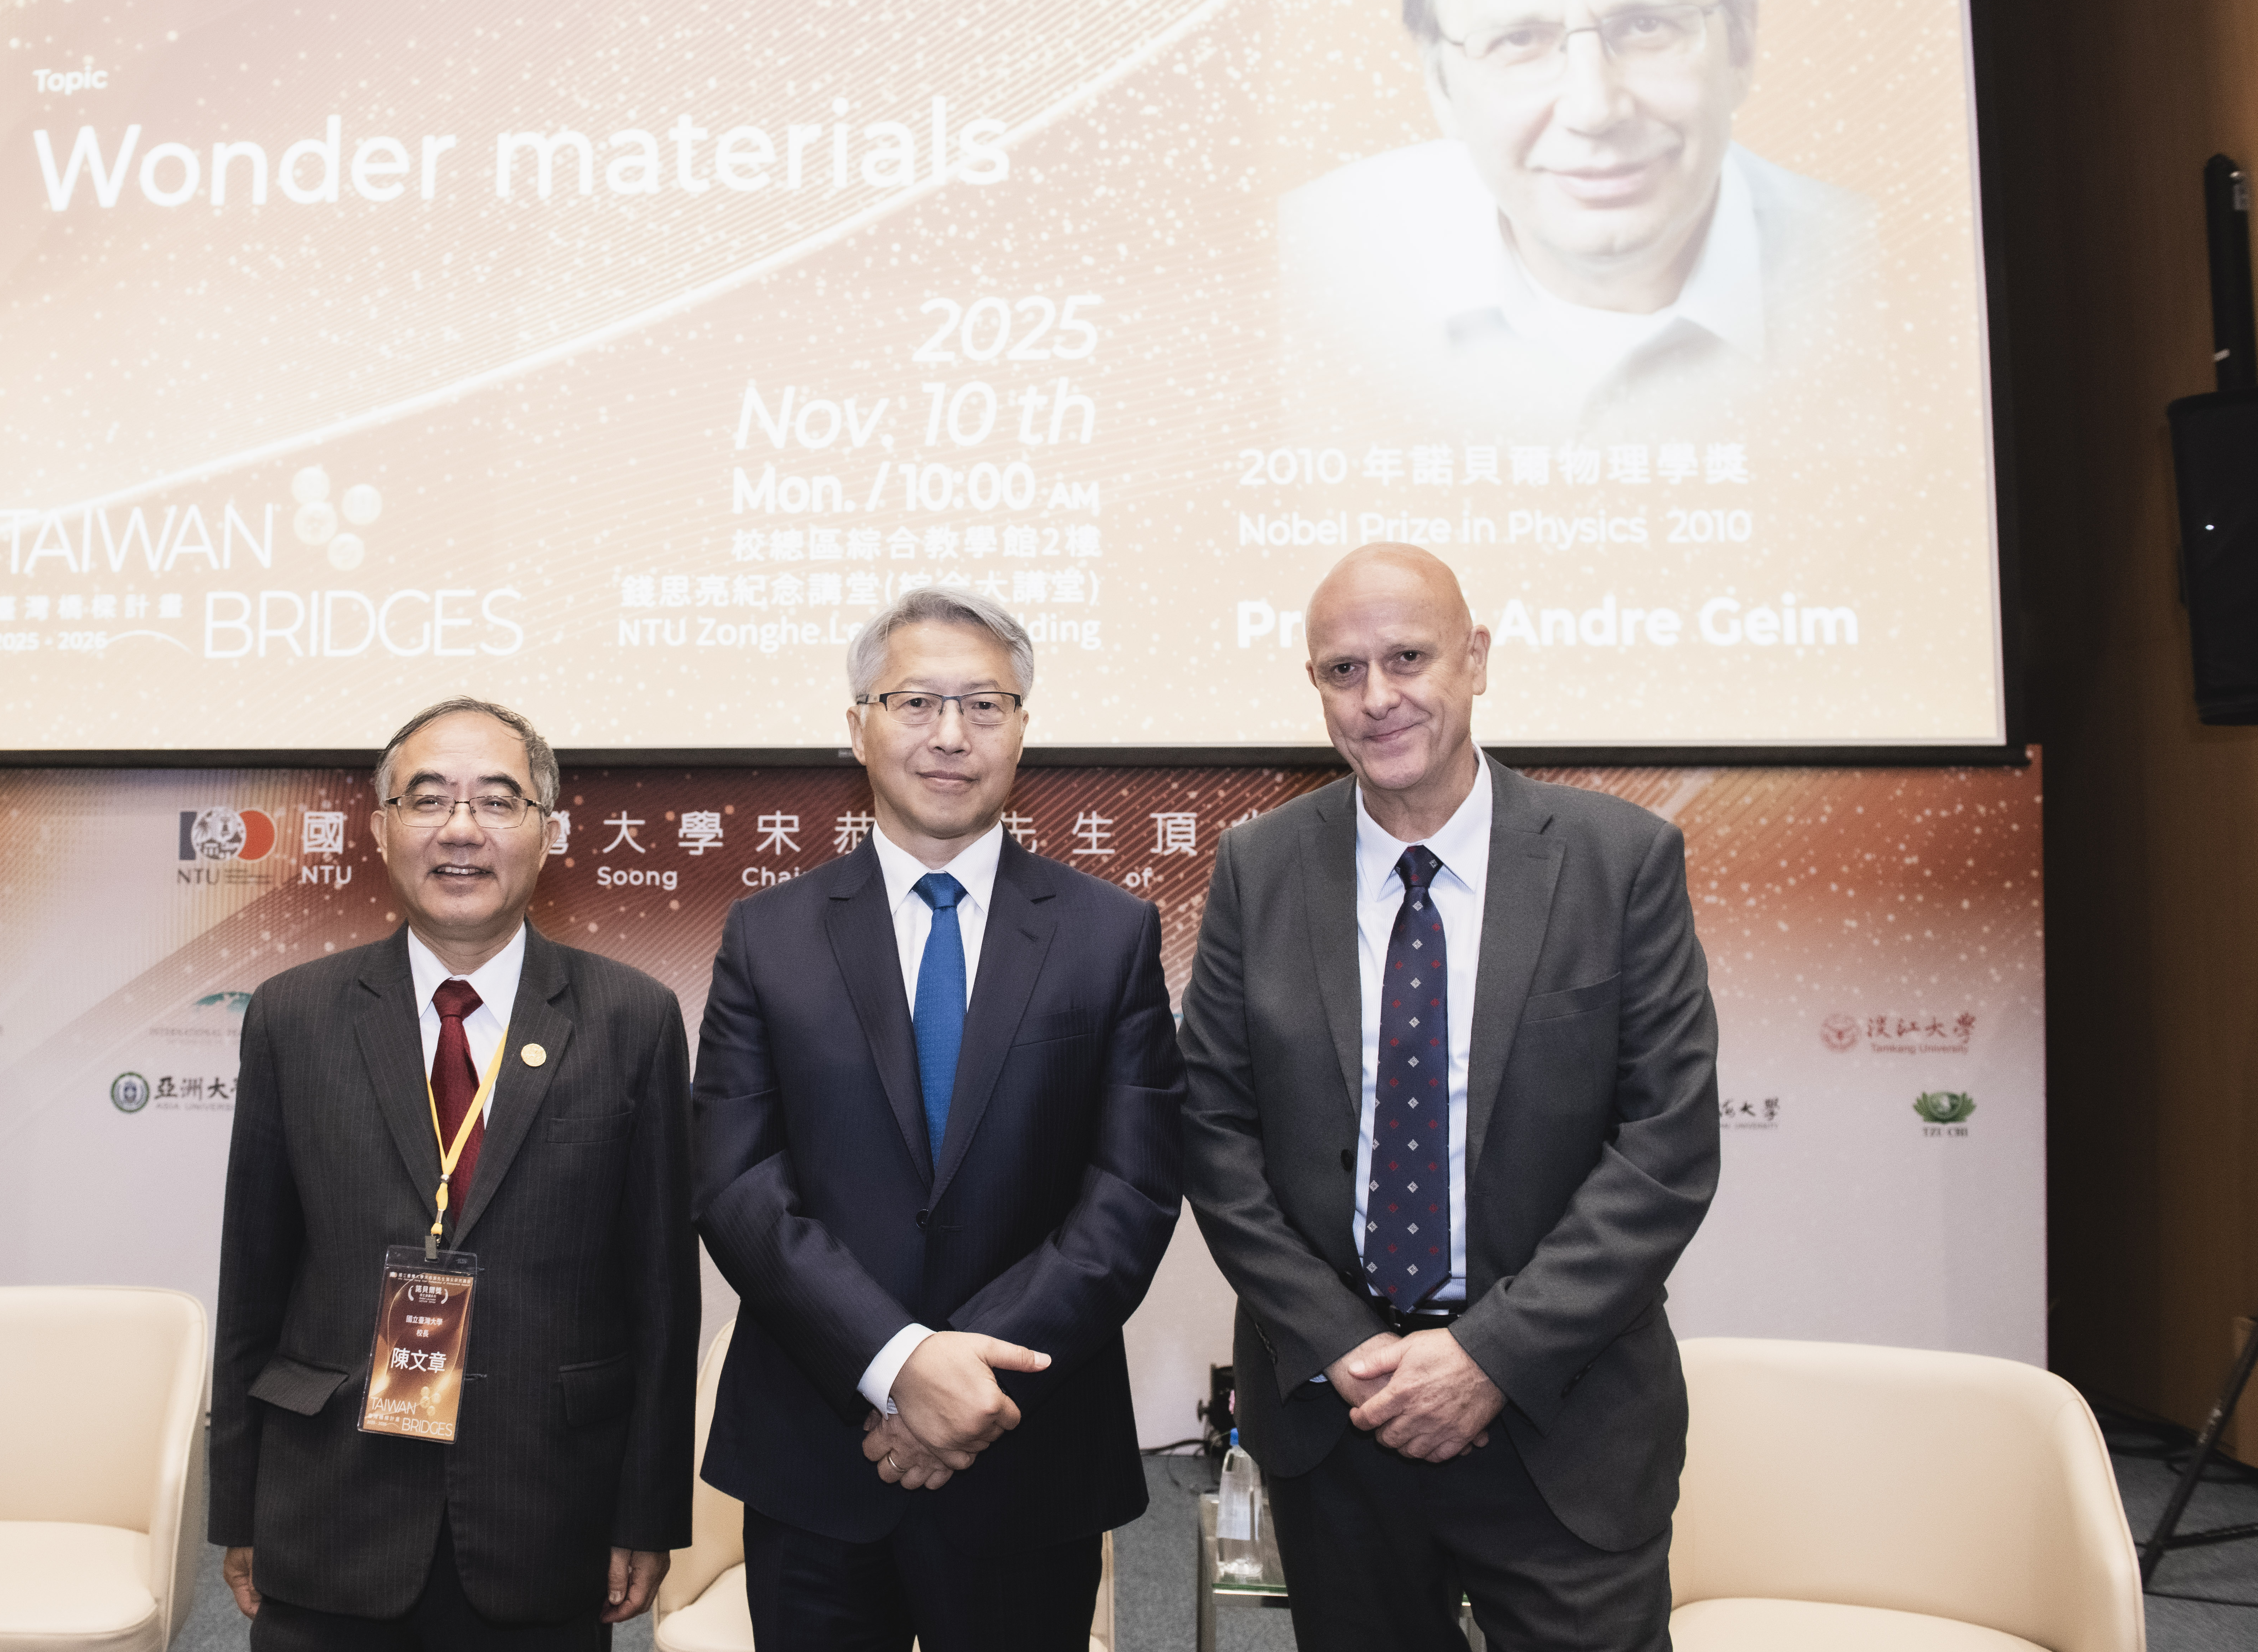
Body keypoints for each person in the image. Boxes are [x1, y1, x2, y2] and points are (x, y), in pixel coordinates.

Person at [1179, 544, 1719, 1651]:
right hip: (1338, 1417)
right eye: (1342, 671)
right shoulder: (1257, 867)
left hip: (1560, 1417)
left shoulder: (1619, 860)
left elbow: (1663, 1148)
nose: (1376, 698)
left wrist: (1487, 1357)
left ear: (1474, 658)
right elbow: (1214, 1133)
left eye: (1407, 658)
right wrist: (1344, 1345)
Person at [692, 587, 1183, 1652]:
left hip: (1028, 1459)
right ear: (857, 725)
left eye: (984, 704)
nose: (950, 735)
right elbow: (736, 1184)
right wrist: (896, 1361)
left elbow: (1132, 1189)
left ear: (1022, 728)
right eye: (916, 702)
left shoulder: (1110, 935)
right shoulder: (767, 935)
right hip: (821, 1456)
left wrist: (965, 1381)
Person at [209, 697, 697, 1651]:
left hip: (547, 1508)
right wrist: (237, 1504)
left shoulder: (631, 1018)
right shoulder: (293, 1015)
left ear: (548, 830)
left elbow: (661, 1294)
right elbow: (251, 1279)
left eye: (498, 801)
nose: (461, 829)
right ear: (379, 828)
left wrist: (646, 1512)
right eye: (427, 799)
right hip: (328, 1506)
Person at [1278, 0, 1876, 434]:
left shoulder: (1890, 274)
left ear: (1742, 45)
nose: (1594, 109)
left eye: (1646, 27)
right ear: (1439, 84)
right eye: (1520, 40)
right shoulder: (1305, 266)